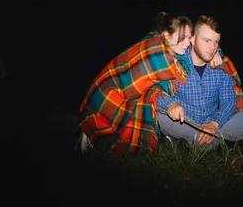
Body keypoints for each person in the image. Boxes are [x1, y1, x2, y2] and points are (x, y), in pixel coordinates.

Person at [76, 11, 223, 154]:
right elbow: (130, 75)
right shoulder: (153, 53)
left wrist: (215, 52)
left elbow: (199, 47)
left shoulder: (175, 46)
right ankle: (89, 138)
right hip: (108, 90)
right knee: (109, 123)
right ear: (166, 36)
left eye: (189, 37)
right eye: (183, 38)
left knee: (143, 102)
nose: (187, 43)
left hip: (128, 91)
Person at [151, 15, 243, 149]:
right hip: (186, 124)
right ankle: (222, 143)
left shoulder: (221, 66)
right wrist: (171, 104)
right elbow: (154, 90)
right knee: (160, 116)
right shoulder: (176, 61)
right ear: (192, 39)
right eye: (207, 41)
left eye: (216, 42)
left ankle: (203, 144)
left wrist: (213, 124)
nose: (212, 48)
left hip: (215, 127)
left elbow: (228, 103)